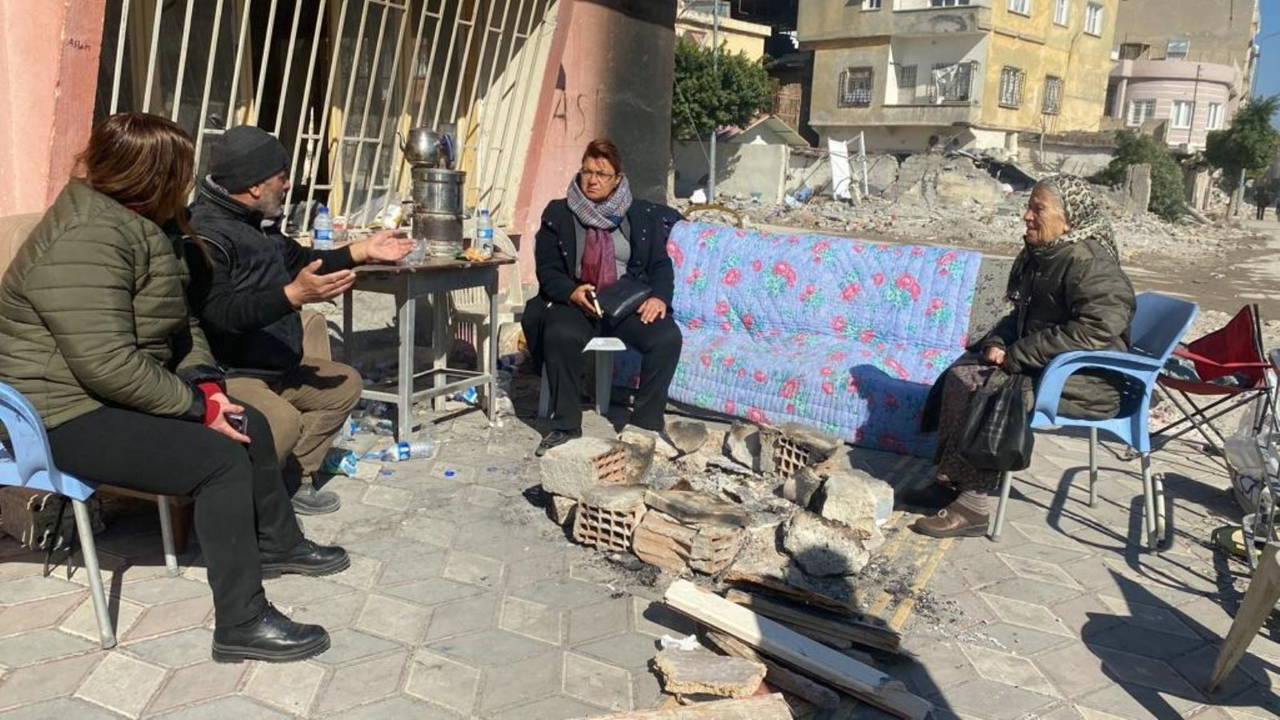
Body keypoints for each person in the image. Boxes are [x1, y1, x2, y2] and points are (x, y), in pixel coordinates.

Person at [0, 112, 346, 662]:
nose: (189, 182)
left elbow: (182, 324)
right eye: (180, 171)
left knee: (247, 422)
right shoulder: (85, 239)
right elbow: (106, 364)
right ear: (149, 175)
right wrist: (195, 409)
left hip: (108, 391)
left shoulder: (145, 223)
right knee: (218, 460)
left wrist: (208, 388)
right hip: (61, 413)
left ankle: (278, 545)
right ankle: (241, 622)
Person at [185, 126, 414, 515]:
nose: (289, 184)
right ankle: (238, 505)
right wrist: (292, 296)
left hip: (274, 365)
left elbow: (302, 261)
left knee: (343, 385)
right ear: (254, 185)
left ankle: (293, 479)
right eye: (281, 176)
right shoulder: (207, 235)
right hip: (230, 374)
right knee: (284, 421)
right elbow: (218, 314)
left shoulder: (255, 223)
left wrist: (362, 250)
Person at [907, 174, 1136, 538]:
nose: (1027, 216)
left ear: (1069, 219)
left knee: (991, 389)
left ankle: (974, 507)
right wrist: (1000, 341)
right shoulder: (1046, 255)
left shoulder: (1090, 263)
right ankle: (951, 481)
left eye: (1037, 209)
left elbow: (1097, 329)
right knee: (962, 373)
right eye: (1028, 207)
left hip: (1089, 378)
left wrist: (1018, 355)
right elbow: (1022, 316)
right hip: (1054, 364)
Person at [523, 139, 683, 456]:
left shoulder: (639, 214)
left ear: (617, 179)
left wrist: (659, 298)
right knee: (560, 333)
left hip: (624, 301)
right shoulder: (559, 213)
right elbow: (548, 268)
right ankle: (566, 426)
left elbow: (660, 265)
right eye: (587, 172)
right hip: (578, 300)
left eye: (601, 174)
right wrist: (571, 291)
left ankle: (645, 424)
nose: (592, 180)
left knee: (666, 337)